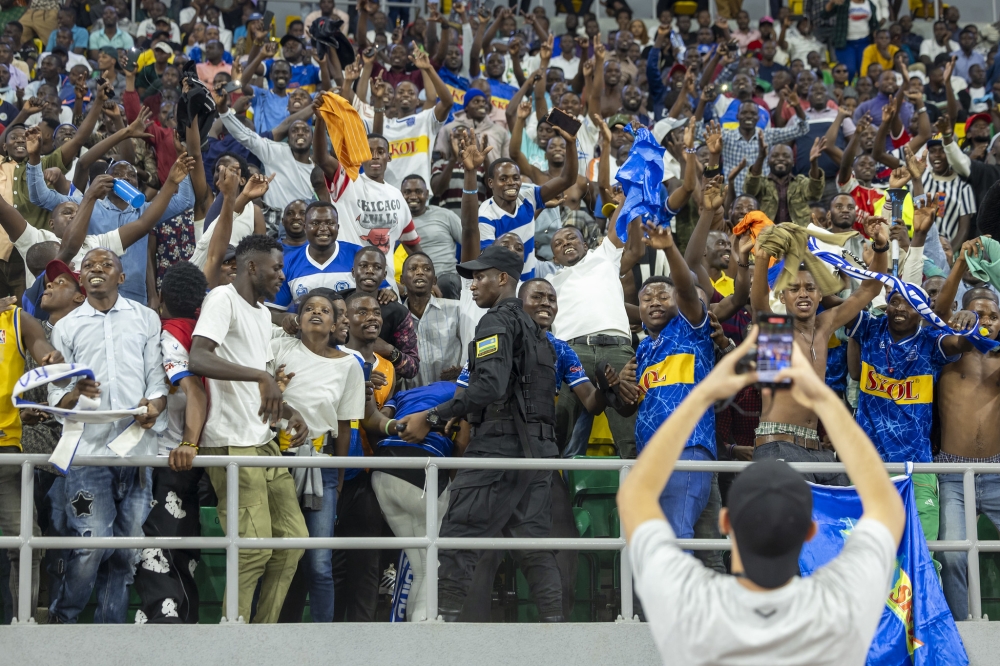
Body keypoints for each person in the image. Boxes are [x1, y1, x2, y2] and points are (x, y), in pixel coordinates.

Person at [618, 328, 905, 665]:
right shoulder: (838, 604)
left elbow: (634, 494)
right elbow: (887, 505)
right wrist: (819, 395)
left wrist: (705, 393)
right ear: (810, 531)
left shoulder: (693, 606)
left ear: (726, 523)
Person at [396, 244, 564, 622]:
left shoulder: (495, 322)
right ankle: (559, 635)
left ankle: (442, 636)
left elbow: (487, 388)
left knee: (457, 540)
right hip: (537, 454)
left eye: (479, 276)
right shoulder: (538, 333)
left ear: (501, 279)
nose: (471, 285)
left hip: (499, 450)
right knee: (535, 549)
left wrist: (434, 416)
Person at [188, 234, 310, 624]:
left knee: (293, 543)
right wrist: (260, 375)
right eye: (276, 267)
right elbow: (198, 357)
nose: (282, 275)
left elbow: (265, 385)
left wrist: (288, 409)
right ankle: (234, 638)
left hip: (262, 440)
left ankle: (262, 635)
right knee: (253, 548)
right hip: (229, 443)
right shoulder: (222, 299)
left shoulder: (260, 314)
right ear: (251, 267)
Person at [45, 246, 168, 624]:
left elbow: (157, 378)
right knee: (92, 543)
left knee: (126, 551)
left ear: (122, 276)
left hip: (138, 449)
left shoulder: (146, 319)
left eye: (106, 264)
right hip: (88, 452)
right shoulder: (65, 328)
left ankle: (109, 631)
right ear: (81, 279)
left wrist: (155, 405)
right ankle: (63, 620)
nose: (97, 269)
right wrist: (75, 394)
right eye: (89, 266)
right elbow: (55, 396)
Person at [750, 215, 889, 484]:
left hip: (816, 450)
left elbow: (870, 289)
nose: (803, 293)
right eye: (794, 289)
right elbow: (757, 305)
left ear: (819, 294)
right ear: (782, 296)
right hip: (777, 447)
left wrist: (881, 246)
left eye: (810, 288)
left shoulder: (825, 327)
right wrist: (760, 258)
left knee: (843, 516)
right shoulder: (776, 332)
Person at [271, 289, 365, 623]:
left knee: (319, 562)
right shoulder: (279, 347)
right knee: (276, 555)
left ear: (337, 323)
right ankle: (270, 632)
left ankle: (323, 639)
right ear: (298, 317)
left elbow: (344, 423)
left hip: (322, 464)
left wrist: (337, 480)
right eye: (308, 308)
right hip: (277, 458)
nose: (315, 313)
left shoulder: (349, 365)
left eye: (324, 310)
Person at [132, 261, 208, 625]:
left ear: (161, 298)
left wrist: (189, 443)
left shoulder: (168, 335)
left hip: (171, 454)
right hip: (193, 457)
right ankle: (184, 628)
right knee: (183, 551)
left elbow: (193, 390)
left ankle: (166, 630)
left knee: (156, 551)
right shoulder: (205, 331)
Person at [931, 237, 1000, 621]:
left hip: (997, 469)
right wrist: (958, 264)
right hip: (953, 474)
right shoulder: (947, 348)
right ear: (961, 314)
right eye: (977, 314)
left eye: (992, 315)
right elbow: (938, 312)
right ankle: (962, 632)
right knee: (954, 556)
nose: (985, 321)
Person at [314, 105, 423, 290]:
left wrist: (425, 274)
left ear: (389, 156)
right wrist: (320, 120)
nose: (374, 156)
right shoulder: (348, 182)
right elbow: (322, 158)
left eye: (380, 152)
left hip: (386, 286)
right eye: (369, 151)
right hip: (348, 281)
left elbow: (412, 245)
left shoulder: (397, 195)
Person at [400, 252, 461, 389]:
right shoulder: (397, 318)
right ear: (402, 279)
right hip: (413, 400)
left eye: (426, 269)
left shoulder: (456, 309)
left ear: (434, 280)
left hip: (451, 397)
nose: (420, 272)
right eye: (413, 268)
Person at [401, 174, 462, 299]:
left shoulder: (445, 215)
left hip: (446, 277)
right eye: (407, 192)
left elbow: (469, 241)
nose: (413, 196)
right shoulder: (394, 221)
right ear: (399, 195)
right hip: (409, 279)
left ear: (427, 193)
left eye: (418, 192)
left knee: (446, 282)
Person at [744, 135, 825, 226]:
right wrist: (761, 157)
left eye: (786, 156)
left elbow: (815, 194)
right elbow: (750, 190)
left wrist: (814, 163)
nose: (781, 158)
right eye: (775, 155)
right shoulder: (762, 183)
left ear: (793, 162)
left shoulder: (800, 182)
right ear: (768, 161)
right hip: (767, 235)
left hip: (797, 236)